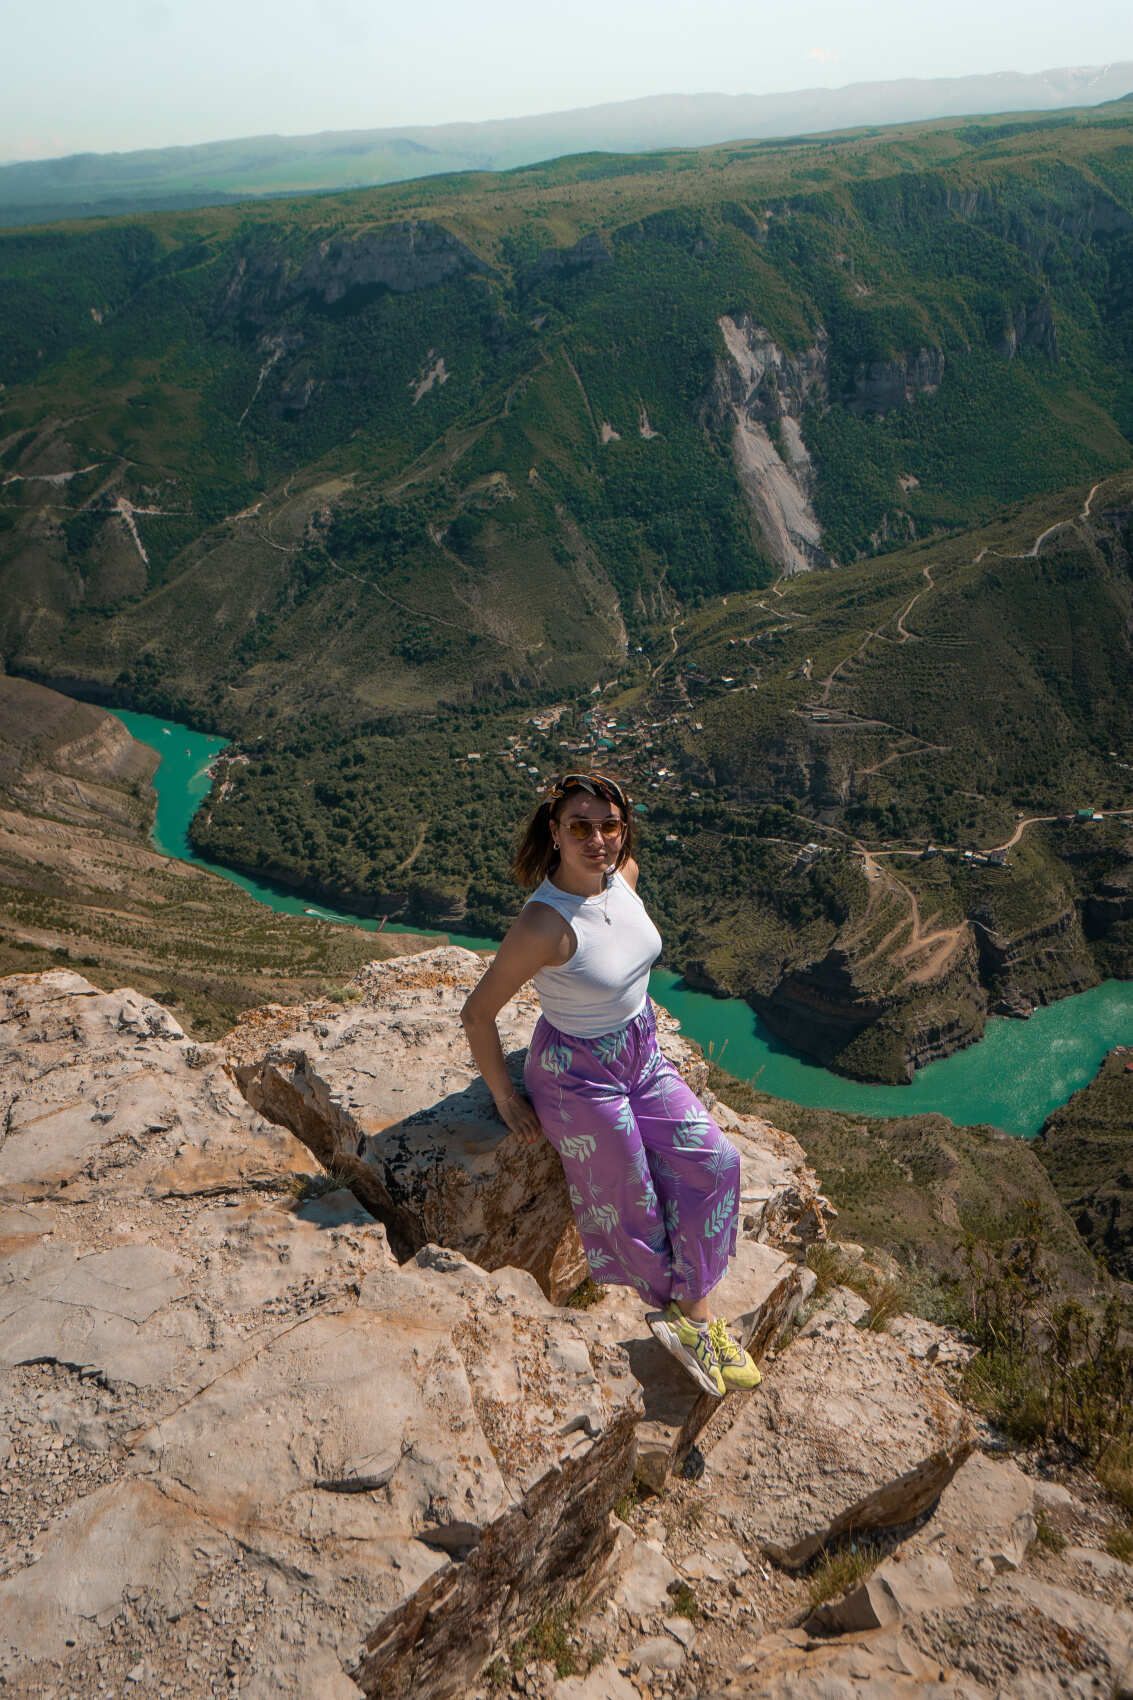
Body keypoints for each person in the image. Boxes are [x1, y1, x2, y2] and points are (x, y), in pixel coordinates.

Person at [460, 770, 760, 1397]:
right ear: (555, 831)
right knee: (635, 1202)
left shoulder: (624, 879)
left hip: (641, 1054)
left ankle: (688, 1313)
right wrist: (504, 1095)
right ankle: (692, 1319)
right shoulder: (544, 923)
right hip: (577, 1076)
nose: (597, 838)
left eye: (609, 825)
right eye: (580, 826)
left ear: (624, 831)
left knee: (718, 1164)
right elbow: (478, 1013)